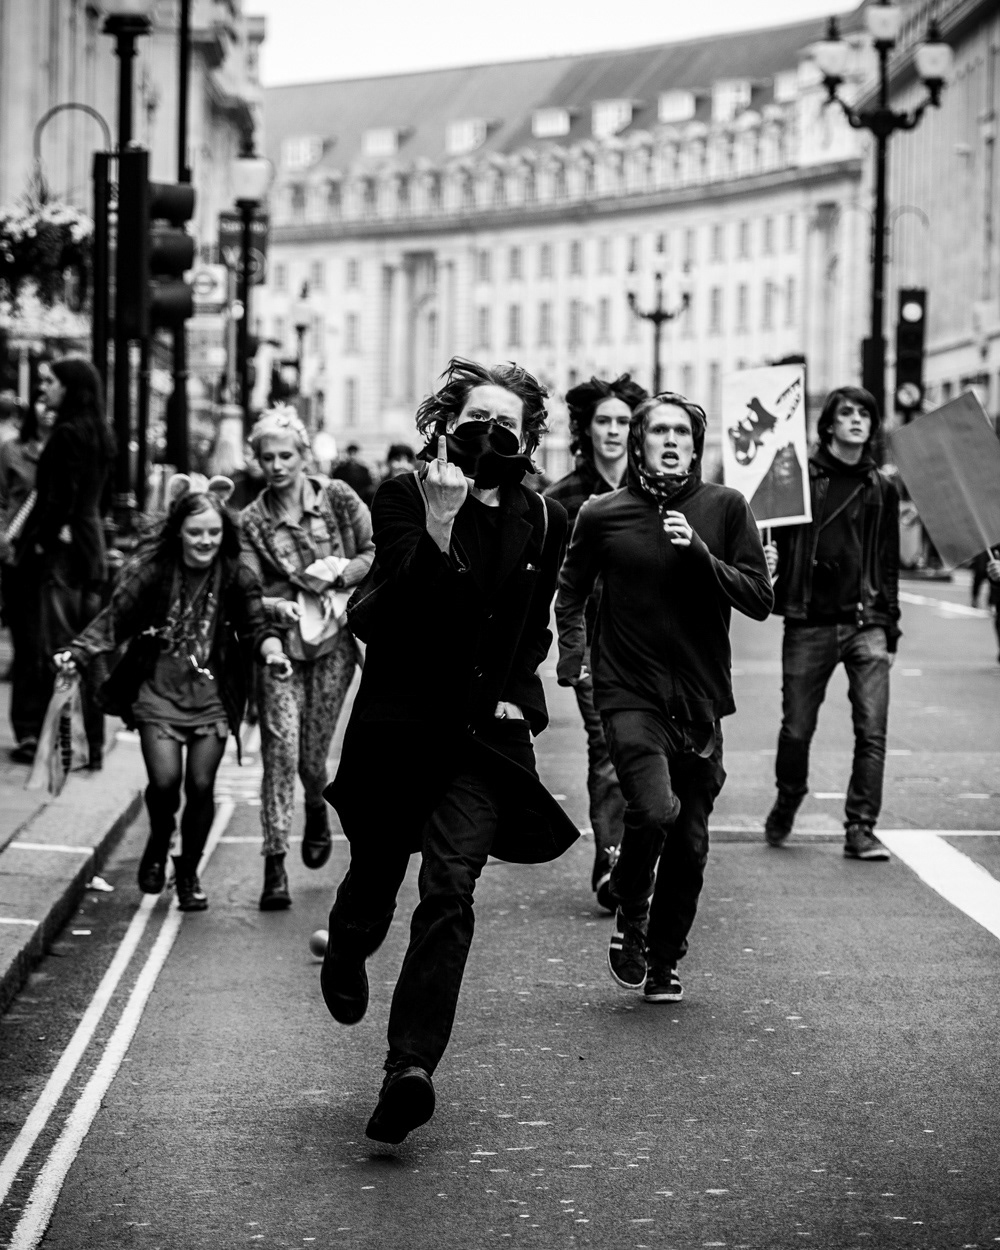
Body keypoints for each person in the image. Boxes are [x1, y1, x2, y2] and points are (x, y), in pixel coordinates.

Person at [320, 357, 576, 1144]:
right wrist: (436, 524)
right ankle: (350, 941)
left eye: (508, 425)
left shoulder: (543, 519)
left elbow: (530, 630)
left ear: (530, 437)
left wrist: (520, 700)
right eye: (477, 421)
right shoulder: (402, 496)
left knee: (451, 890)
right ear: (446, 424)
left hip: (480, 738)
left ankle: (410, 1068)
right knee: (379, 873)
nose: (491, 435)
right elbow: (383, 615)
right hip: (400, 727)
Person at [556, 391, 773, 1004]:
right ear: (639, 443)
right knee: (654, 810)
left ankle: (662, 960)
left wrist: (702, 554)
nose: (672, 441)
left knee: (692, 844)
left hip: (701, 700)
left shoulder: (726, 508)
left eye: (683, 433)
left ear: (696, 447)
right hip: (627, 692)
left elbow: (759, 597)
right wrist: (575, 659)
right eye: (660, 432)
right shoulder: (601, 514)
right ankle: (631, 912)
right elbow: (569, 592)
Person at [54, 475, 290, 909]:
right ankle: (160, 836)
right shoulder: (155, 572)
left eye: (214, 533)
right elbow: (115, 618)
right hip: (157, 692)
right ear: (179, 530)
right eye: (196, 532)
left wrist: (273, 654)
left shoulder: (237, 575)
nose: (205, 541)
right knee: (165, 784)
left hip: (213, 696)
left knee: (201, 786)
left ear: (225, 533)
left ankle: (187, 874)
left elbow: (257, 628)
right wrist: (78, 653)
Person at [240, 407, 375, 911]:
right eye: (266, 457)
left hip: (335, 643)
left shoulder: (338, 498)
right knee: (280, 750)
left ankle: (316, 804)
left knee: (313, 758)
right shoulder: (251, 521)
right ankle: (274, 863)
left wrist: (339, 575)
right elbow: (249, 590)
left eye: (285, 456)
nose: (276, 465)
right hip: (279, 647)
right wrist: (278, 604)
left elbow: (375, 548)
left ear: (302, 456)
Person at [762, 385, 900, 861]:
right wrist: (770, 559)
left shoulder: (881, 486)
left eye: (865, 412)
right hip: (809, 621)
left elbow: (887, 561)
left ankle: (860, 827)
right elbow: (772, 539)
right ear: (829, 425)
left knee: (873, 730)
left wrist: (890, 625)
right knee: (797, 728)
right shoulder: (796, 477)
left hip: (867, 622)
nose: (857, 420)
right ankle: (789, 796)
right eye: (847, 413)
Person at [545, 374, 647, 911]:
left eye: (623, 421)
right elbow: (545, 581)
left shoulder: (656, 492)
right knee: (606, 747)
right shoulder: (561, 500)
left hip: (654, 644)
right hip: (593, 644)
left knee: (651, 752)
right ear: (586, 429)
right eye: (603, 421)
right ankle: (611, 860)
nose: (613, 431)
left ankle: (642, 850)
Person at [20, 357, 115, 770]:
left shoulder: (65, 436)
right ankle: (90, 747)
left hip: (64, 555)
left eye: (50, 381)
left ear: (70, 388)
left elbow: (58, 500)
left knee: (59, 654)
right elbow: (99, 499)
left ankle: (64, 750)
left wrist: (40, 542)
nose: (44, 389)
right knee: (88, 652)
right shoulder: (101, 435)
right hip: (90, 551)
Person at [0, 392, 57, 760]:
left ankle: (54, 728)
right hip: (19, 559)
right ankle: (27, 731)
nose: (47, 407)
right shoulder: (11, 451)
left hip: (59, 561)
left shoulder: (72, 449)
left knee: (53, 645)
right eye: (41, 399)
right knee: (27, 645)